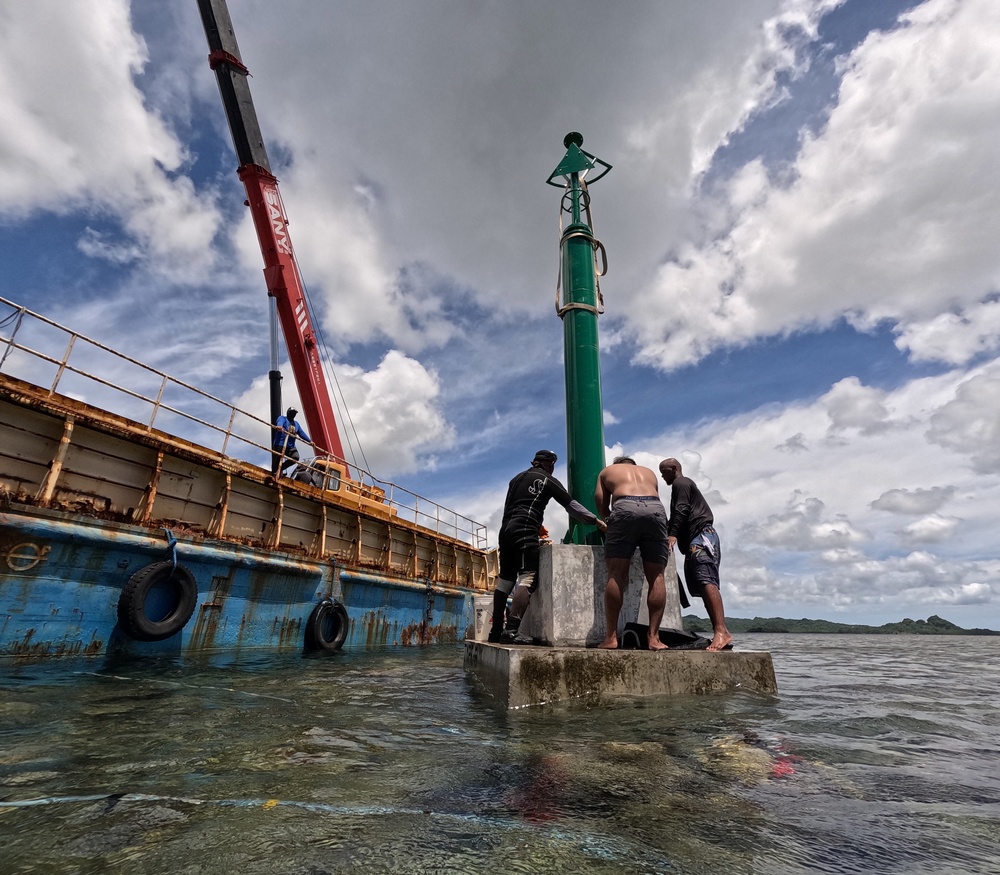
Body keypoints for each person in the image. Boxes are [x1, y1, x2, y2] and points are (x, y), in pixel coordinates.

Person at [488, 450, 607, 643]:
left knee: (505, 579)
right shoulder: (547, 479)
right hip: (526, 529)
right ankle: (510, 631)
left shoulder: (515, 479)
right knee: (528, 577)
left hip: (505, 530)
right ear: (549, 464)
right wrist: (597, 522)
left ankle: (495, 632)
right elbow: (572, 506)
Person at [594, 456, 670, 650]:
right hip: (655, 508)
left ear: (617, 465)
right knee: (657, 576)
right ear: (634, 466)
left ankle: (610, 638)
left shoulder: (607, 471)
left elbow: (601, 502)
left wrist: (610, 519)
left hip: (624, 505)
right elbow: (657, 498)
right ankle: (653, 638)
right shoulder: (649, 473)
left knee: (616, 574)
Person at [659, 457, 733, 651]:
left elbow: (682, 510)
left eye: (664, 471)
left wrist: (672, 534)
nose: (661, 476)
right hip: (695, 540)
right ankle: (719, 631)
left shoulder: (680, 482)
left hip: (702, 536)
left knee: (706, 581)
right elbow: (676, 514)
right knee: (701, 584)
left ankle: (721, 631)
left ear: (674, 469)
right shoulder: (681, 485)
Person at [272, 407, 312, 474]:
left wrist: (310, 441)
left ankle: (281, 468)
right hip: (279, 444)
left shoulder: (296, 424)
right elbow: (280, 422)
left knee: (295, 457)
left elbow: (301, 433)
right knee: (277, 459)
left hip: (291, 446)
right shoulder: (282, 418)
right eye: (292, 413)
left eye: (294, 413)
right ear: (288, 413)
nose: (293, 414)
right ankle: (274, 472)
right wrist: (279, 426)